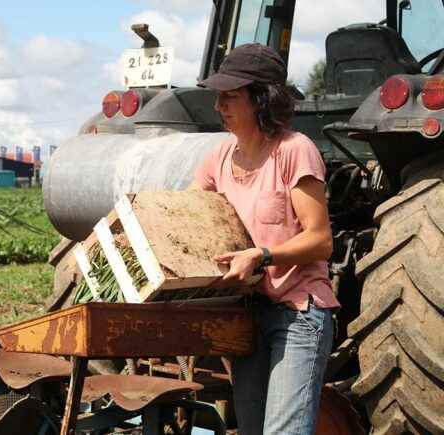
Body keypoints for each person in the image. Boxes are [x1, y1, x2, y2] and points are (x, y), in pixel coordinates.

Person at [192, 43, 338, 435]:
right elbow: (187, 216)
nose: (220, 105)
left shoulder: (295, 151)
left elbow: (321, 241)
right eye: (218, 96)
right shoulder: (218, 158)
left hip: (297, 313)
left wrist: (261, 255)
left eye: (231, 96)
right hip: (246, 315)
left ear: (262, 99)